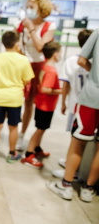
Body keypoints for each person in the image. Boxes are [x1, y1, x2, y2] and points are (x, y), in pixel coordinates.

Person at [47, 28, 99, 202]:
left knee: (78, 142)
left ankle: (66, 184)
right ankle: (88, 189)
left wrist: (94, 73)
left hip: (92, 97)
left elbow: (82, 60)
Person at [0, 31, 34, 163]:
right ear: (17, 43)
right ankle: (12, 153)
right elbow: (28, 80)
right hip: (15, 99)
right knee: (13, 126)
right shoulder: (23, 59)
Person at [16, 0, 56, 151]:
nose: (29, 10)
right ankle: (1, 124)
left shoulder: (49, 26)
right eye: (28, 7)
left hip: (38, 67)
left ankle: (22, 134)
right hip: (23, 64)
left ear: (41, 9)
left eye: (32, 7)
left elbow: (41, 47)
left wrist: (31, 29)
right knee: (14, 96)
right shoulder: (24, 23)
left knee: (29, 102)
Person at [52, 29, 92, 179]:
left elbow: (66, 85)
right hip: (88, 106)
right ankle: (72, 163)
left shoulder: (71, 61)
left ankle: (72, 171)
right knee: (83, 139)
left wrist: (63, 102)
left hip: (77, 106)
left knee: (75, 139)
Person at [21, 42, 62, 169]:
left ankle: (37, 148)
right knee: (40, 130)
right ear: (55, 55)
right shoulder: (51, 70)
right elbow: (45, 89)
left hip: (42, 104)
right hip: (45, 105)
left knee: (42, 128)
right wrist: (61, 91)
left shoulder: (45, 67)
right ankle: (29, 154)